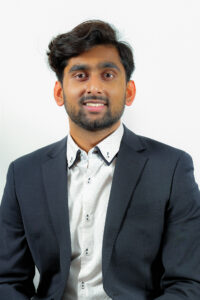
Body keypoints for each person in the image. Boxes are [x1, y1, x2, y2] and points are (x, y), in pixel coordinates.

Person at [0, 19, 200, 300]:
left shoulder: (172, 169)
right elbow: (7, 281)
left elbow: (188, 284)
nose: (94, 87)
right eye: (80, 75)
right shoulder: (23, 174)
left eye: (107, 75)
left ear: (129, 91)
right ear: (59, 92)